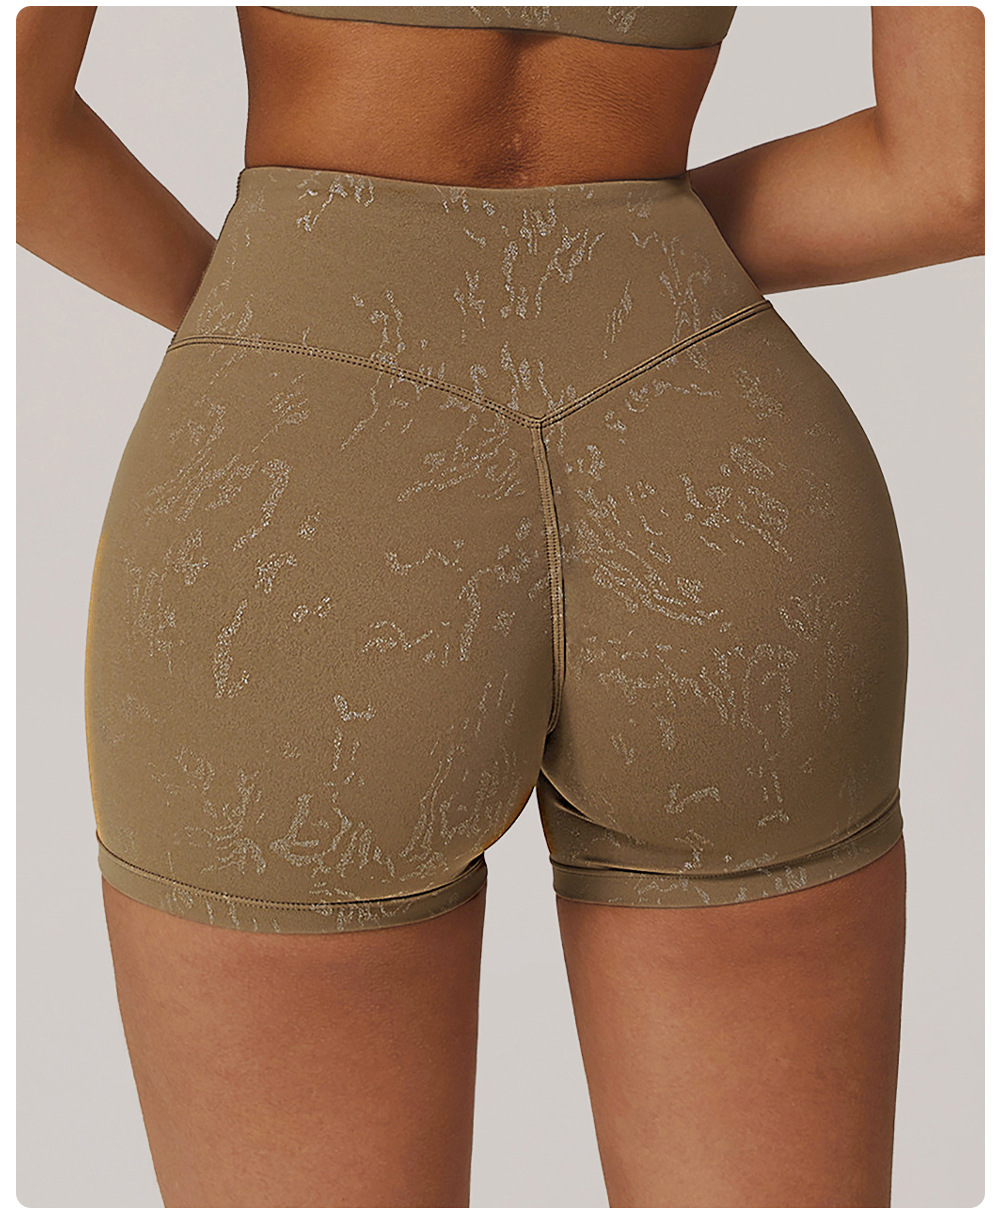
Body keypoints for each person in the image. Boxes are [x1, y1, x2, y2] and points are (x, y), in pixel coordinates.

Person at [16, 5, 984, 1208]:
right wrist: (639, 248)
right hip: (717, 470)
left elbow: (16, 127)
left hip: (296, 499)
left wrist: (269, 324)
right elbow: (952, 172)